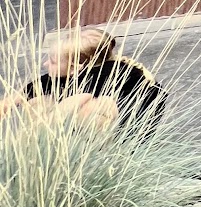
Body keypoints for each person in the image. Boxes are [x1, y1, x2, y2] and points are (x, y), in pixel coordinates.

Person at [1, 27, 166, 133]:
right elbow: (39, 85)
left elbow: (74, 101)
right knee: (38, 100)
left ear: (76, 68)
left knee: (89, 108)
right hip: (108, 111)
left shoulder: (105, 75)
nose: (45, 64)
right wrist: (9, 102)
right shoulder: (78, 71)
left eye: (52, 61)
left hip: (133, 128)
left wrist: (38, 131)